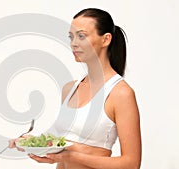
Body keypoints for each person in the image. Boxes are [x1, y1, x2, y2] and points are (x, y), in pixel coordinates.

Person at [9, 8, 141, 169]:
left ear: (106, 39)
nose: (74, 43)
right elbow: (63, 141)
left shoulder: (120, 93)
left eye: (81, 36)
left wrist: (72, 156)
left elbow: (131, 163)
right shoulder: (70, 89)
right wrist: (31, 142)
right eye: (71, 37)